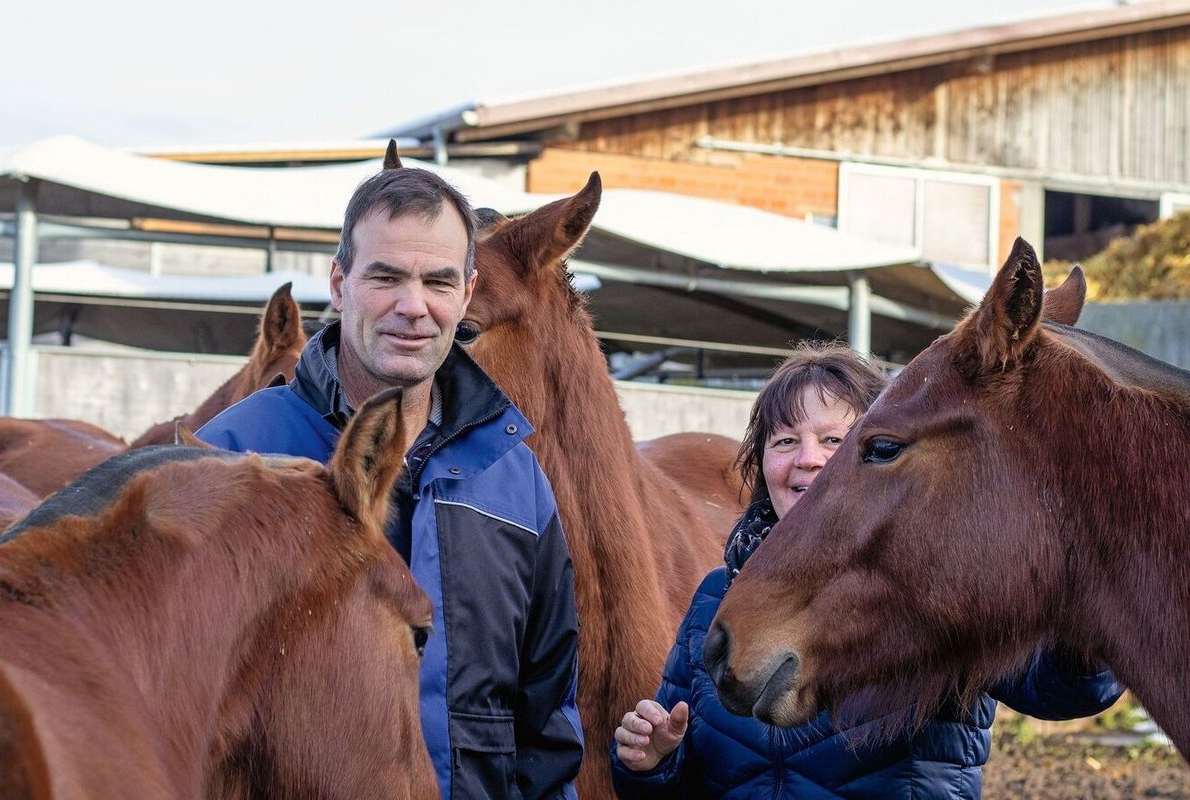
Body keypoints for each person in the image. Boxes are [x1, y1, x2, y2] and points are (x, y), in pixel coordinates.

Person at [198, 160, 582, 799]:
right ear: (339, 284)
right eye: (386, 277)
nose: (413, 306)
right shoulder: (232, 458)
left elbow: (544, 723)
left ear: (466, 294)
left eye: (438, 281)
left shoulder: (514, 478)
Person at [611, 342, 1123, 800]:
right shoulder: (717, 595)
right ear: (760, 463)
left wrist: (1084, 605)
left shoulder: (942, 583)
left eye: (835, 440)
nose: (808, 459)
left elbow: (1063, 689)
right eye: (784, 441)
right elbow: (682, 768)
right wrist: (652, 764)